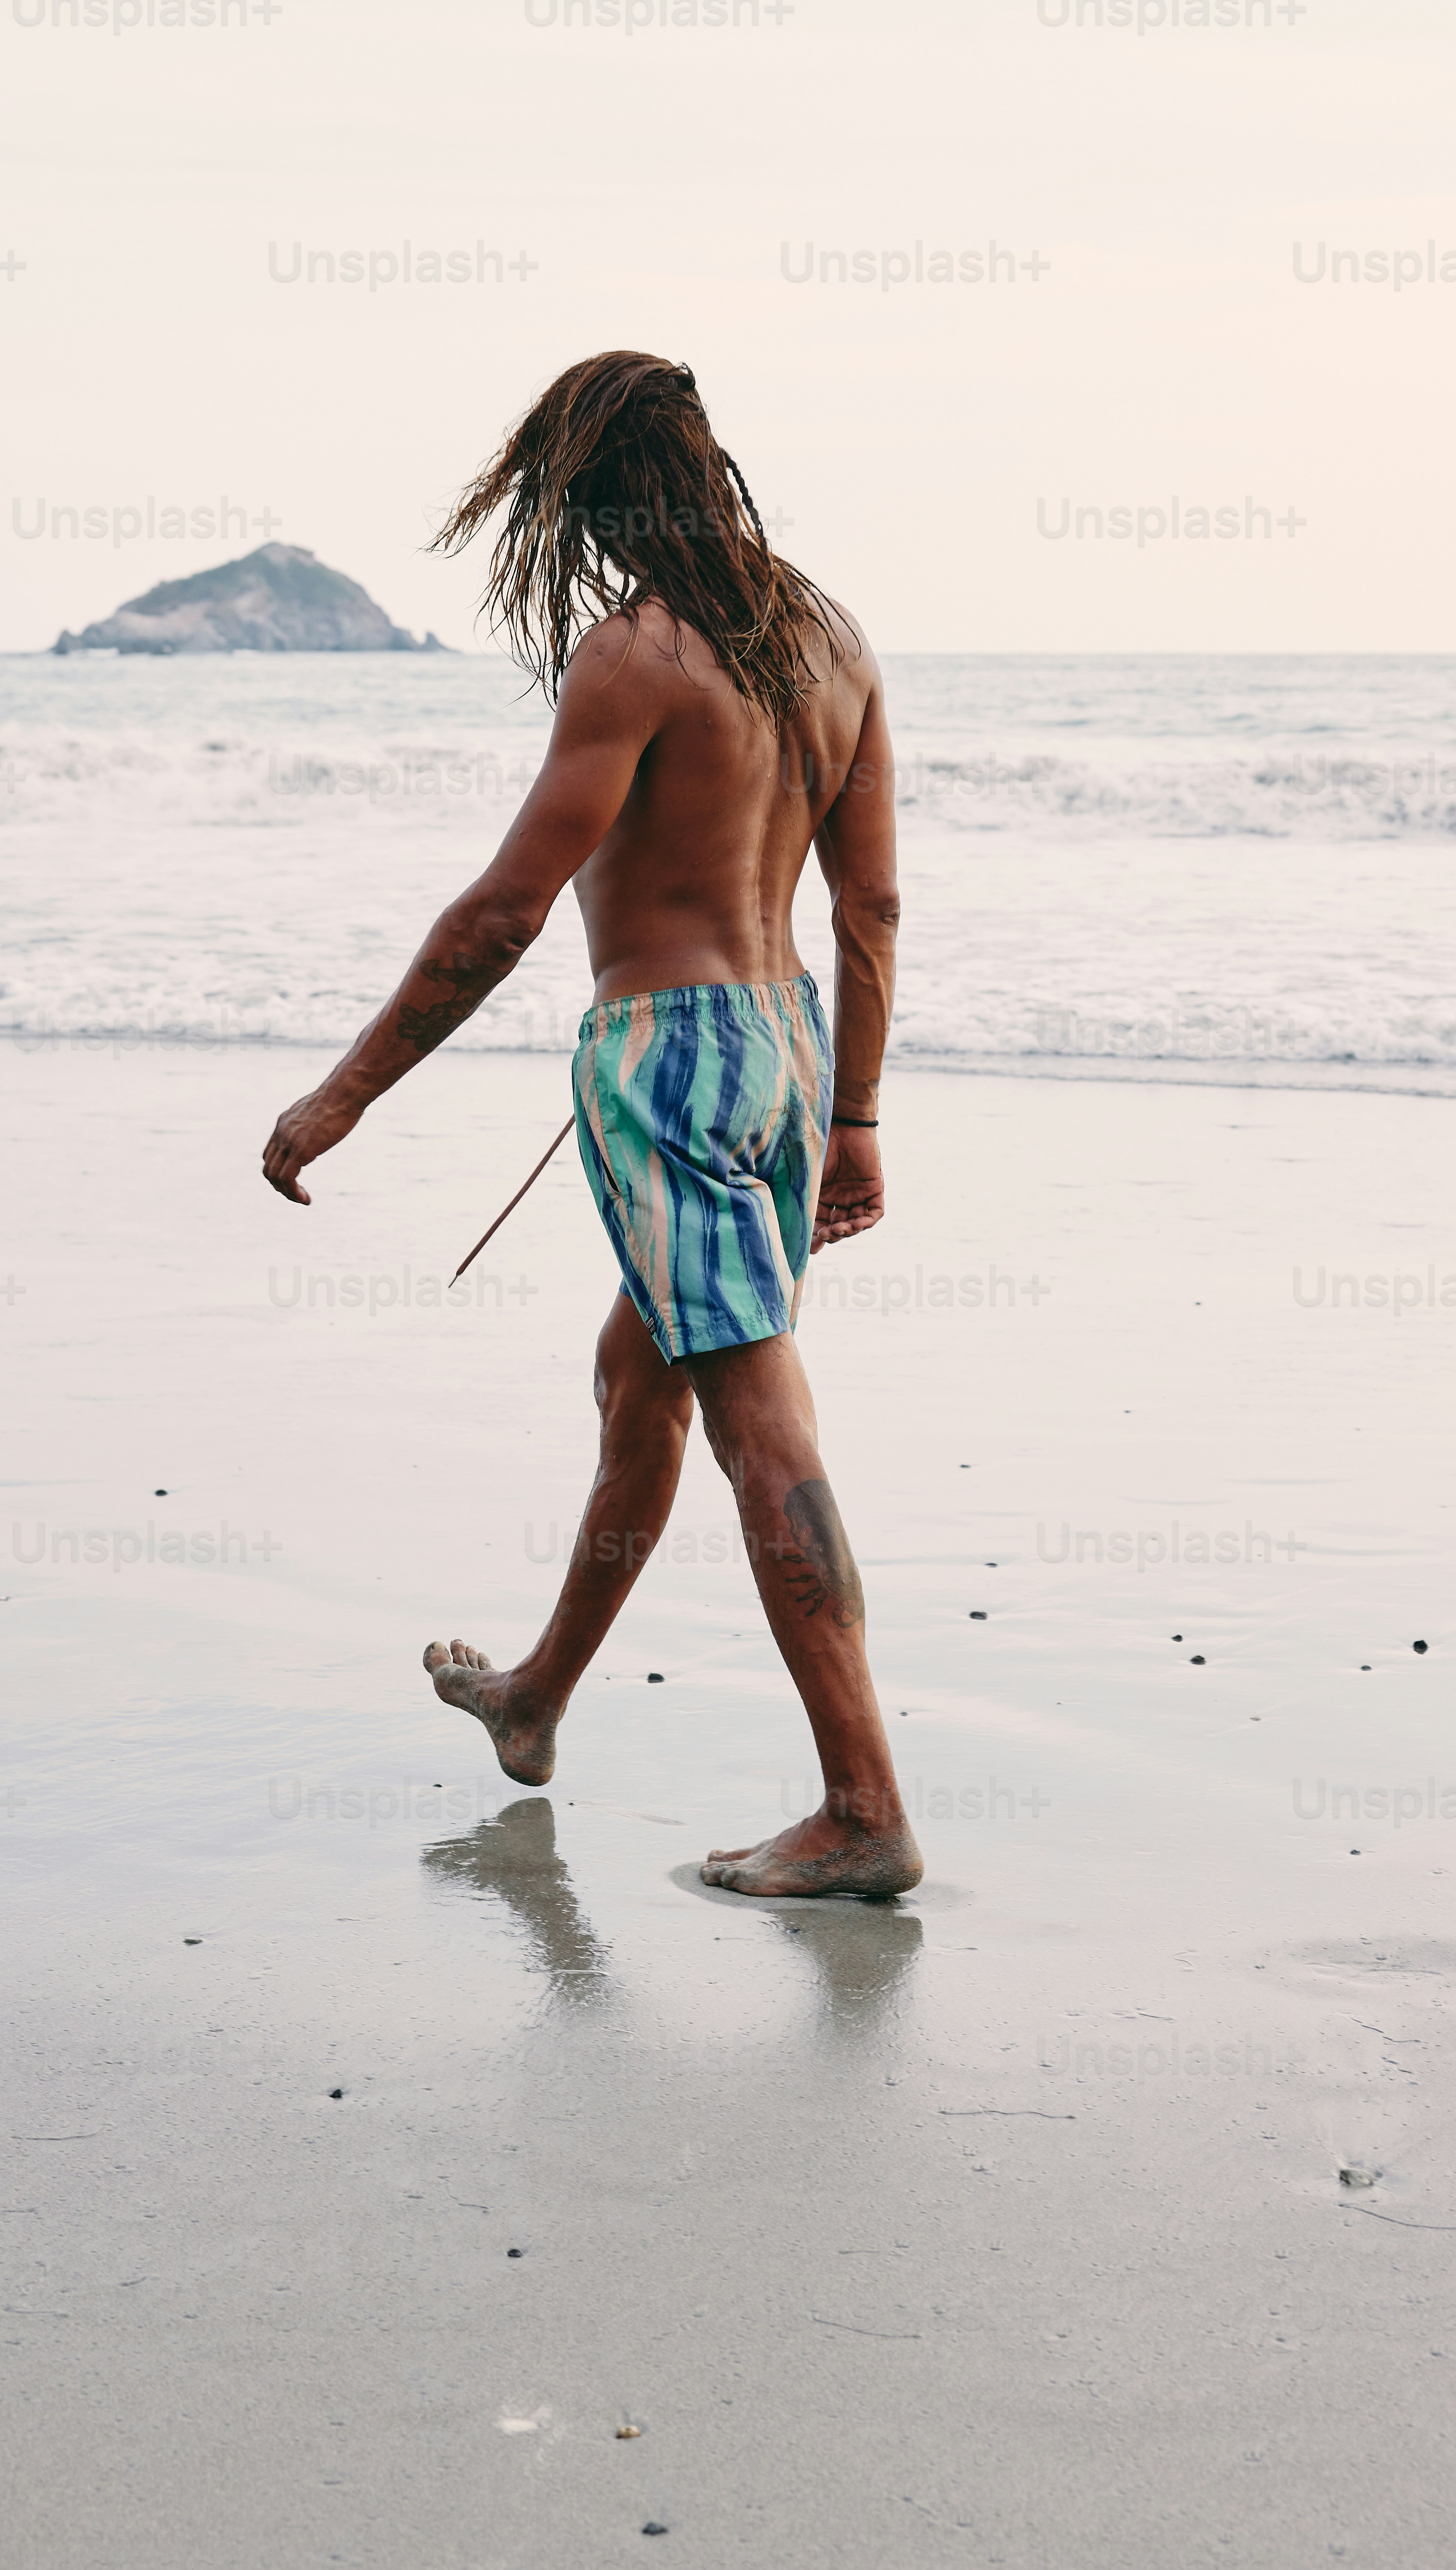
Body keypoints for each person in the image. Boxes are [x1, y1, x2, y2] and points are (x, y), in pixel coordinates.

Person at [261, 352, 919, 1898]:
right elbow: (870, 901)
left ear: (593, 491)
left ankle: (863, 1803)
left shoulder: (634, 653)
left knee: (760, 1419)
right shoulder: (829, 635)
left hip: (667, 1061)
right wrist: (856, 1113)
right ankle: (537, 1695)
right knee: (646, 1373)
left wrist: (342, 1093)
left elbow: (504, 907)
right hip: (783, 1049)